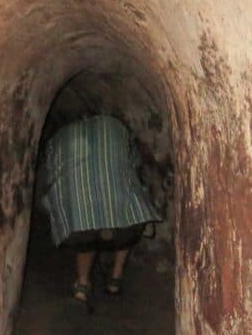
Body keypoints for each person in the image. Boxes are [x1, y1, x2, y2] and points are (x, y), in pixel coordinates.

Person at [37, 114, 161, 304]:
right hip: (126, 229)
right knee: (132, 208)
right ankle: (115, 279)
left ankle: (82, 284)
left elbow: (49, 177)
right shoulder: (116, 127)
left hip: (80, 228)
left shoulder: (59, 139)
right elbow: (134, 163)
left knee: (83, 218)